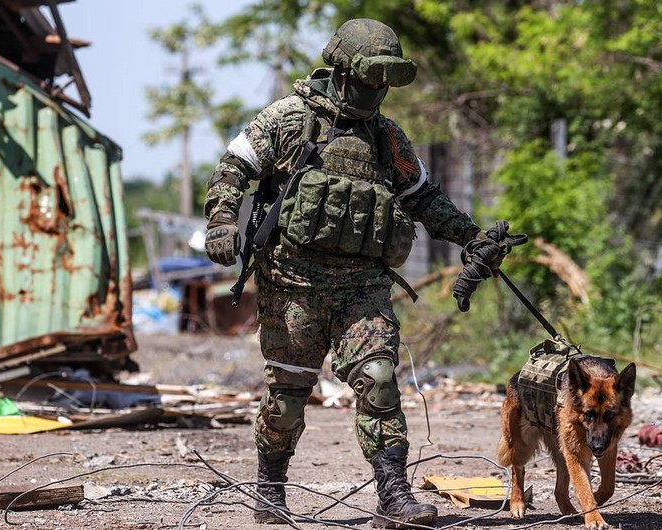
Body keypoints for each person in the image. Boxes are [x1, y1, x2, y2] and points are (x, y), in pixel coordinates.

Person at [203, 18, 509, 528]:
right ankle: (270, 491)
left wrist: (470, 236)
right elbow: (233, 168)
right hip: (292, 288)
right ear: (343, 70)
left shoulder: (387, 137)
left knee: (380, 380)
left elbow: (423, 199)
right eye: (371, 79)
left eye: (385, 81)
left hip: (362, 290)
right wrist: (219, 222)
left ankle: (394, 496)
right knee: (286, 400)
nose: (377, 90)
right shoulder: (288, 120)